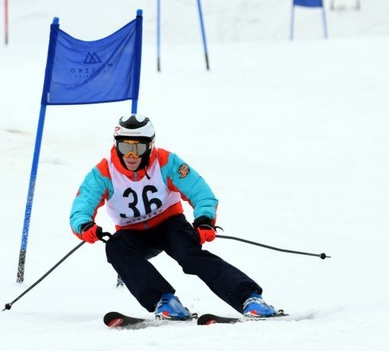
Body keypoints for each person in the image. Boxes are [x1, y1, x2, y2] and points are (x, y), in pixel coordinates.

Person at [69, 114, 280, 320]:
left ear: (150, 145)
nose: (131, 156)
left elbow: (200, 191)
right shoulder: (104, 171)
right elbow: (82, 205)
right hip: (131, 232)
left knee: (188, 255)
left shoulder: (166, 162)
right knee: (115, 248)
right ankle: (166, 301)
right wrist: (85, 225)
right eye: (125, 147)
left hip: (169, 224)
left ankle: (249, 298)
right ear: (116, 145)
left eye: (138, 148)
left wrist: (204, 219)